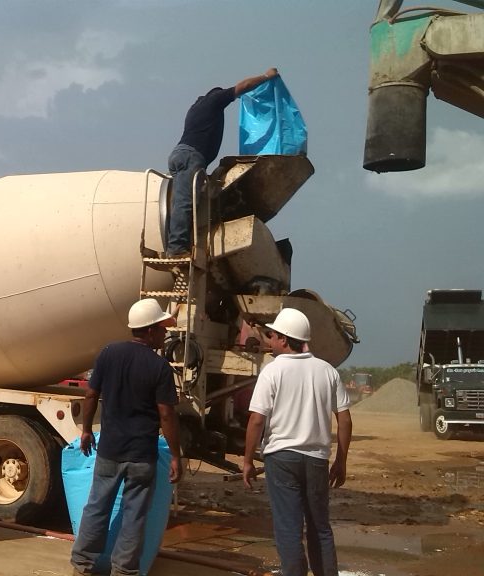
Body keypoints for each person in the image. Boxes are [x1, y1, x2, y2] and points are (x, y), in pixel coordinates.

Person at [71, 298, 183, 576]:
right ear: (150, 330)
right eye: (161, 328)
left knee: (96, 508)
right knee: (134, 517)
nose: (164, 334)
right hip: (142, 456)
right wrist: (176, 455)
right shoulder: (160, 367)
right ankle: (124, 571)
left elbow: (90, 395)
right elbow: (166, 415)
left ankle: (82, 566)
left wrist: (86, 430)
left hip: (109, 451)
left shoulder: (109, 353)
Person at [242, 308, 352, 576]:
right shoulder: (327, 371)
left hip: (281, 460)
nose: (269, 340)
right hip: (316, 459)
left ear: (284, 339)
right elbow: (345, 420)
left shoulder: (272, 371)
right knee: (319, 527)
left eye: (272, 335)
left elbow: (257, 420)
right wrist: (341, 461)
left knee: (288, 528)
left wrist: (246, 461)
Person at [166, 68, 279, 258]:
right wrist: (267, 77)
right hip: (191, 156)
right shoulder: (214, 100)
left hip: (181, 154)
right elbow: (243, 87)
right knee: (185, 203)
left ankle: (181, 243)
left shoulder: (195, 108)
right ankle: (176, 249)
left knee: (183, 202)